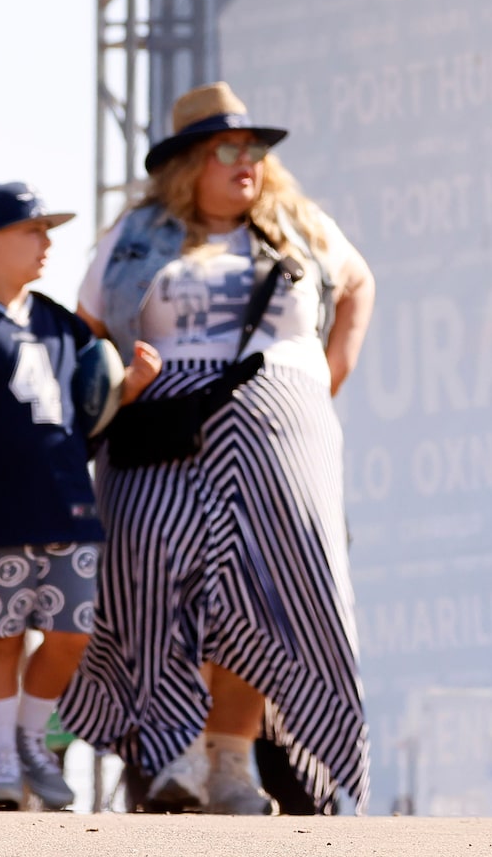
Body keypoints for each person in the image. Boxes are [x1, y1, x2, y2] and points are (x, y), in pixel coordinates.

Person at [61, 83, 375, 816]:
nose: (247, 163)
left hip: (280, 426)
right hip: (163, 428)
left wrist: (323, 376)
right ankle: (175, 753)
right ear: (188, 165)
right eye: (227, 150)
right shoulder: (136, 236)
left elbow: (358, 287)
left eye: (255, 150)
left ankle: (233, 762)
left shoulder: (297, 225)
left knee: (272, 587)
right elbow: (83, 329)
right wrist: (119, 381)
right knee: (155, 572)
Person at [0, 183, 157, 812]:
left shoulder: (60, 321)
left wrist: (129, 386)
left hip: (69, 506)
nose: (46, 243)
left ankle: (29, 741)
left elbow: (92, 405)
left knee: (71, 632)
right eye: (32, 230)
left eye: (48, 231)